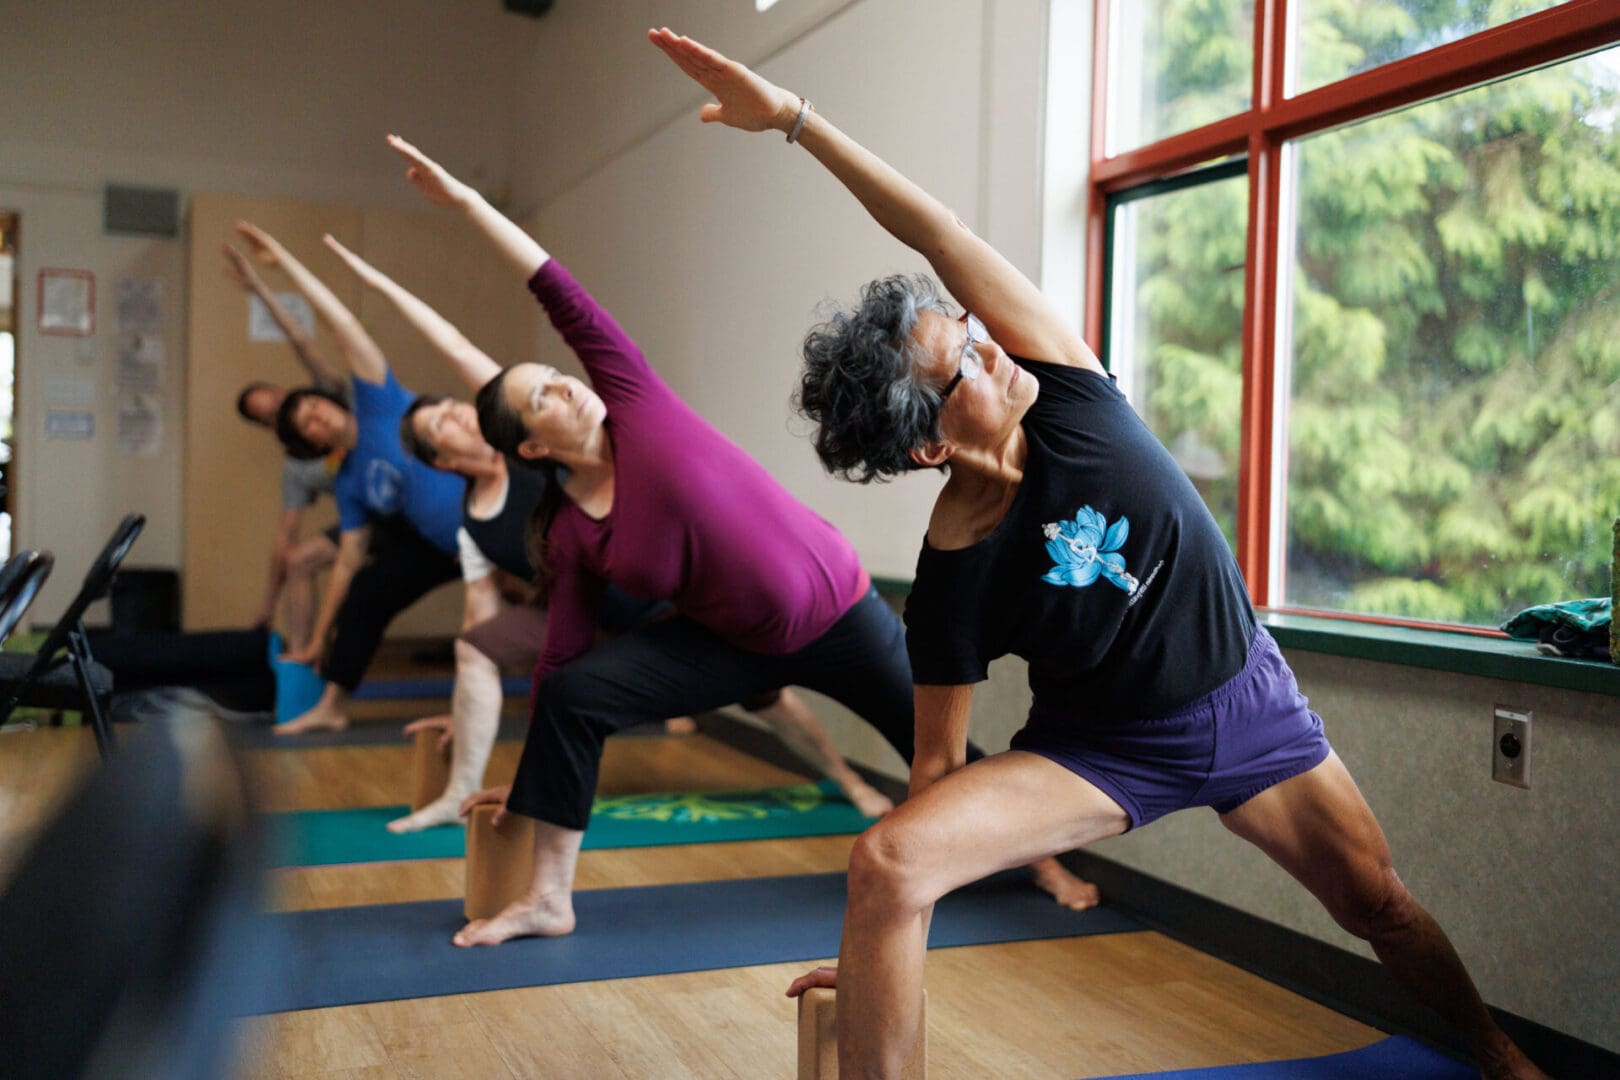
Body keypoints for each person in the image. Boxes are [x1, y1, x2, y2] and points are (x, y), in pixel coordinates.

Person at [648, 29, 1549, 1080]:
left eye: (976, 330)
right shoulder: (951, 581)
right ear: (931, 442)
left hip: (1245, 698)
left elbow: (934, 231)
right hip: (1105, 750)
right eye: (967, 360)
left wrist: (796, 120)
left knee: (1379, 904)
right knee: (887, 859)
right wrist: (877, 935)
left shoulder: (1066, 385)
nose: (992, 342)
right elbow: (933, 775)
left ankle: (1496, 1052)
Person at [382, 134, 1100, 947]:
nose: (564, 388)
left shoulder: (638, 405)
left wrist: (471, 203)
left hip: (842, 612)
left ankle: (1043, 864)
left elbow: (558, 291)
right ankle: (550, 897)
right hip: (734, 643)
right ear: (532, 447)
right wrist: (527, 783)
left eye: (554, 375)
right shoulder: (578, 534)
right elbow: (561, 660)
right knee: (576, 695)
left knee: (937, 746)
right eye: (541, 398)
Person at [321, 235, 894, 829]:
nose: (458, 414)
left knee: (772, 700)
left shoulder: (539, 445)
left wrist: (381, 285)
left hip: (670, 604)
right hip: (594, 612)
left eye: (453, 407)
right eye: (442, 424)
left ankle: (848, 779)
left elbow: (461, 346)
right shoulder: (490, 509)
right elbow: (484, 607)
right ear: (442, 458)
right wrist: (466, 713)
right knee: (485, 649)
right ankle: (461, 796)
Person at [232, 223, 466, 737]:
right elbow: (345, 563)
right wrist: (317, 639)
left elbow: (338, 323)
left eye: (316, 407)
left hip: (490, 517)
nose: (319, 418)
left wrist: (282, 264)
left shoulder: (378, 401)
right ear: (311, 445)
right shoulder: (348, 483)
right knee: (365, 591)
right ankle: (332, 702)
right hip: (443, 547)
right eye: (308, 425)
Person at [221, 244, 344, 651]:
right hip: (368, 521)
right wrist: (266, 607)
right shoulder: (297, 467)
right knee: (299, 560)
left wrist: (258, 287)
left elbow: (300, 339)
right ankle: (298, 660)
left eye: (276, 397)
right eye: (269, 413)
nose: (316, 419)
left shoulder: (327, 395)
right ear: (269, 427)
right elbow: (285, 537)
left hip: (408, 492)